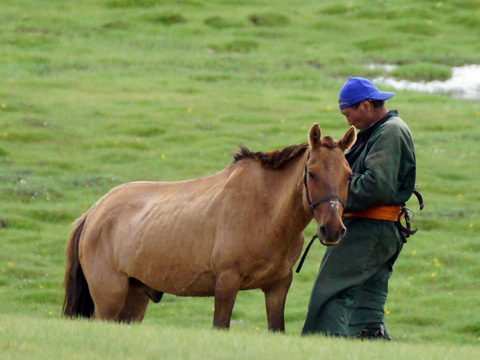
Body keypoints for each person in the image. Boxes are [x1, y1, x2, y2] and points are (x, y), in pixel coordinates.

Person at [301, 77, 416, 340]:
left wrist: (330, 198)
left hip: (370, 228)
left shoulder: (391, 131)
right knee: (366, 310)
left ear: (365, 105)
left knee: (329, 293)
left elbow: (377, 185)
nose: (348, 122)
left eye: (349, 113)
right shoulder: (377, 132)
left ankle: (319, 352)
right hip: (380, 230)